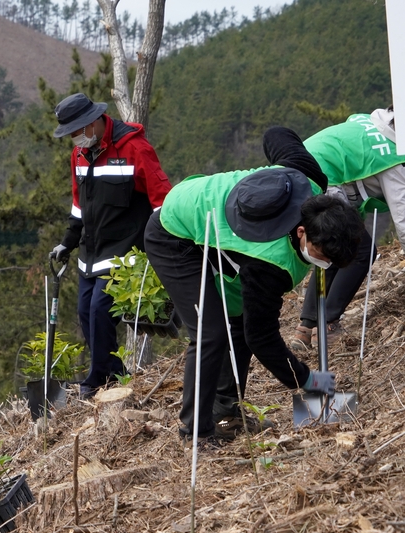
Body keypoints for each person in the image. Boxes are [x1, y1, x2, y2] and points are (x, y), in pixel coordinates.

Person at [144, 150, 364, 442]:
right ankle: (195, 432)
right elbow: (260, 336)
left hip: (205, 213)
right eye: (322, 256)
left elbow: (277, 136)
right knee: (211, 333)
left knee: (236, 321)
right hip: (173, 232)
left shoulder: (309, 182)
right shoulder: (271, 264)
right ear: (301, 232)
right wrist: (305, 378)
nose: (324, 264)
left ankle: (227, 413)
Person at [48, 92, 172, 397]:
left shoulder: (134, 148)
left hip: (126, 254)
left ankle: (97, 378)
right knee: (85, 312)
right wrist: (67, 242)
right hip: (90, 254)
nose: (74, 140)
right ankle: (114, 373)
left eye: (76, 132)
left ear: (92, 123)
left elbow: (162, 200)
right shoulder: (79, 155)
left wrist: (163, 246)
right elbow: (79, 205)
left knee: (101, 309)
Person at [266, 112, 405, 350]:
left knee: (328, 251)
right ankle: (328, 323)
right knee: (358, 250)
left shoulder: (371, 122)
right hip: (318, 180)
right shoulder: (391, 158)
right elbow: (403, 220)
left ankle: (306, 327)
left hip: (298, 172)